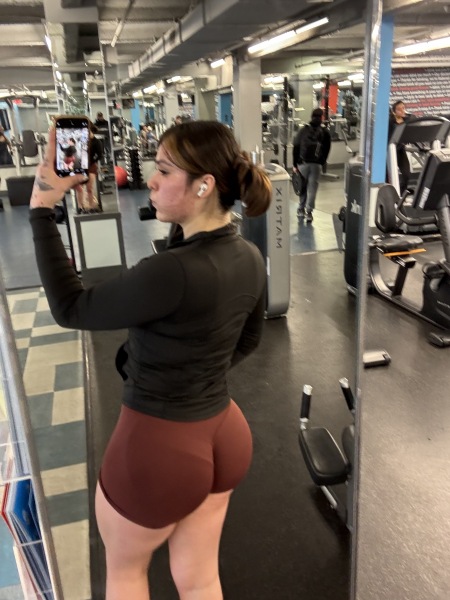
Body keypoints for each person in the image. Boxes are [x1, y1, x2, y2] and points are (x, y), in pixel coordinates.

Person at [29, 120, 271, 600]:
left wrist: (41, 208)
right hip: (224, 434)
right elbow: (247, 342)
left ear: (203, 185)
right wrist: (193, 374)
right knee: (200, 579)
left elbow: (71, 308)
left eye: (163, 170)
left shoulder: (169, 271)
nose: (151, 182)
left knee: (126, 573)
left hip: (159, 452)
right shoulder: (247, 255)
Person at [292, 107, 331, 223]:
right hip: (316, 165)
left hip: (303, 163)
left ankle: (301, 209)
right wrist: (322, 161)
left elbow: (296, 147)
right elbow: (327, 149)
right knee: (312, 189)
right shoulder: (325, 132)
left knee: (302, 186)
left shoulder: (303, 130)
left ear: (311, 116)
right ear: (322, 117)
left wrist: (295, 164)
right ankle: (309, 213)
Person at [74, 123, 103, 213]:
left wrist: (91, 161)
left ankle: (91, 206)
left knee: (89, 188)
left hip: (91, 166)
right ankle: (80, 207)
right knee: (79, 188)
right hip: (80, 166)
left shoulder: (97, 142)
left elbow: (99, 155)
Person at [388, 99, 411, 195]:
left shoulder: (407, 121)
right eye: (399, 109)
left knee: (407, 174)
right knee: (390, 175)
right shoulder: (390, 122)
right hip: (391, 151)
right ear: (394, 112)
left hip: (401, 150)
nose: (402, 111)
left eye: (403, 108)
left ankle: (401, 194)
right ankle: (391, 194)